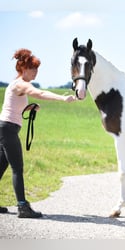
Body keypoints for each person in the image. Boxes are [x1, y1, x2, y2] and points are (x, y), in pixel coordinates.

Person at [0, 48, 76, 218]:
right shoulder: (21, 83)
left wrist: (30, 107)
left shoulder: (17, 84)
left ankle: (21, 205)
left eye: (37, 69)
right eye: (33, 68)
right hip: (8, 129)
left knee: (2, 166)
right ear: (24, 68)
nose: (36, 72)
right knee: (17, 168)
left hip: (5, 128)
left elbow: (14, 106)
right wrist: (63, 98)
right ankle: (23, 207)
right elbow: (39, 93)